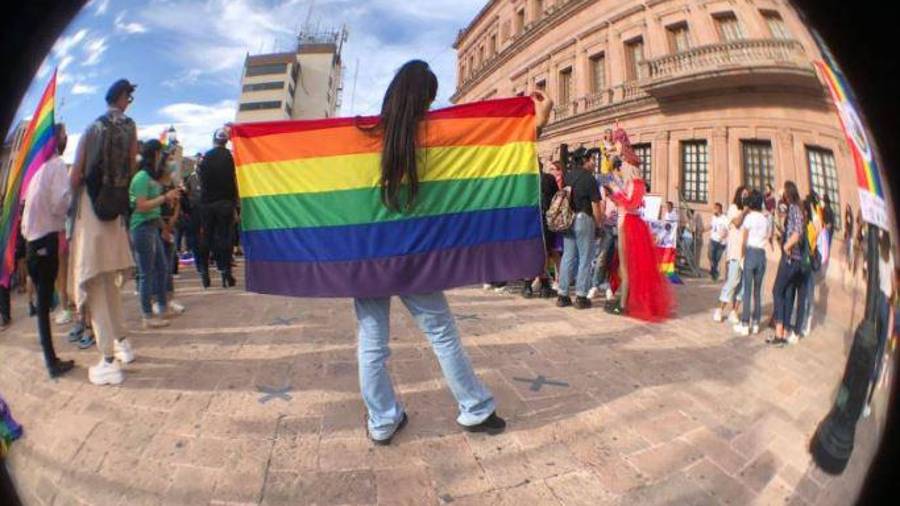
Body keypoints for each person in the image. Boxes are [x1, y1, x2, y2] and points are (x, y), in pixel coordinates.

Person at [350, 61, 549, 444]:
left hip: (369, 254)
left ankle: (381, 421)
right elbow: (493, 152)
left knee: (371, 341)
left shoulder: (363, 135)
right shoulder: (440, 135)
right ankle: (474, 408)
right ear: (426, 98)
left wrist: (241, 140)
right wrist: (535, 120)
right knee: (441, 334)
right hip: (417, 257)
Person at [69, 79, 140, 385]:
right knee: (110, 283)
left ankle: (108, 360)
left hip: (93, 214)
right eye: (130, 97)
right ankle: (123, 342)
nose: (130, 102)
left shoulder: (92, 128)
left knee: (96, 284)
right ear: (121, 97)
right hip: (115, 215)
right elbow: (132, 167)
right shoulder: (131, 127)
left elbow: (75, 176)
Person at [21, 123, 75, 378]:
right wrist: (72, 196)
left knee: (43, 307)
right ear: (56, 140)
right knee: (44, 305)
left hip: (33, 243)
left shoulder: (37, 171)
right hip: (46, 240)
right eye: (64, 134)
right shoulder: (56, 167)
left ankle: (50, 359)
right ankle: (52, 362)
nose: (67, 138)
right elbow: (59, 205)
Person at [605, 154, 673, 321]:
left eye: (624, 164)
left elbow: (631, 204)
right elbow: (625, 202)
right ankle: (623, 300)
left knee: (627, 266)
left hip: (629, 225)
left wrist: (615, 191)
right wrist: (613, 194)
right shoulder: (631, 184)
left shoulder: (637, 184)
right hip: (625, 222)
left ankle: (623, 304)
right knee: (624, 265)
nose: (621, 167)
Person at [129, 140, 180, 329]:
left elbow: (152, 210)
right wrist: (165, 197)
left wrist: (163, 229)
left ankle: (162, 306)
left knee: (161, 266)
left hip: (151, 227)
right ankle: (147, 314)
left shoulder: (150, 177)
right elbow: (141, 206)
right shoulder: (142, 177)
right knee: (146, 272)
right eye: (161, 154)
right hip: (141, 228)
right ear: (155, 155)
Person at [557, 148, 602, 309]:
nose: (594, 163)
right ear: (585, 160)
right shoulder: (589, 178)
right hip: (584, 218)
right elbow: (596, 204)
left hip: (569, 218)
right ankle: (581, 296)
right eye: (592, 160)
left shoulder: (568, 176)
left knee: (568, 256)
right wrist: (599, 224)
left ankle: (562, 294)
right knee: (585, 258)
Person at [197, 128, 238, 289]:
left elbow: (201, 180)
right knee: (225, 237)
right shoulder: (230, 157)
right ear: (226, 141)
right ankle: (226, 272)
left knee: (206, 237)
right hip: (225, 203)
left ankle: (205, 272)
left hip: (207, 203)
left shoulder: (206, 157)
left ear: (214, 140)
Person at [768, 181, 807, 346]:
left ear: (788, 191)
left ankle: (779, 332)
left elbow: (797, 233)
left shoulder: (794, 208)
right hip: (795, 260)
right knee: (786, 293)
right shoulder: (795, 208)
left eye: (783, 189)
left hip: (790, 258)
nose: (781, 191)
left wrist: (786, 245)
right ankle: (783, 333)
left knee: (777, 291)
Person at [734, 190, 770, 336]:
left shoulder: (749, 218)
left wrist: (742, 256)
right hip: (761, 253)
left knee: (747, 290)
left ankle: (744, 324)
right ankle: (755, 323)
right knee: (758, 291)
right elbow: (768, 235)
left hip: (750, 252)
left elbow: (744, 239)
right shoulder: (765, 219)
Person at [523, 161, 558, 299]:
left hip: (528, 221)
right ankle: (544, 286)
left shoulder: (524, 181)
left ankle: (527, 286)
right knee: (544, 253)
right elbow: (556, 199)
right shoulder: (549, 178)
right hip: (544, 220)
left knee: (528, 253)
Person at [713, 186, 749, 324]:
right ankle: (719, 309)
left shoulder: (750, 212)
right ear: (739, 194)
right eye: (744, 194)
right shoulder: (734, 208)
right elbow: (737, 222)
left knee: (744, 284)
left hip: (747, 252)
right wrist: (744, 211)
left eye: (748, 195)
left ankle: (734, 311)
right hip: (735, 251)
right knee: (733, 281)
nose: (746, 197)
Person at [708, 202, 728, 281]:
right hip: (713, 239)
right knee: (710, 255)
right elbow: (711, 226)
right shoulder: (714, 217)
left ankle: (714, 273)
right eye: (714, 208)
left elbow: (727, 229)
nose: (714, 210)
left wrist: (722, 237)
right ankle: (714, 271)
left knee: (716, 258)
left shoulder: (724, 218)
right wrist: (703, 229)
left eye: (715, 209)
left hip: (721, 242)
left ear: (719, 209)